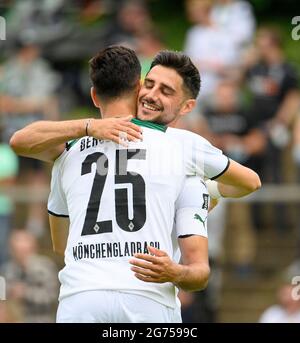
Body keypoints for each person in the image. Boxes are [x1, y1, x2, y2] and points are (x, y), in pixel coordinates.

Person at [10, 47, 261, 322]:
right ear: (138, 86)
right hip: (146, 298)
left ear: (94, 96)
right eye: (150, 85)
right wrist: (209, 191)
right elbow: (250, 182)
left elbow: (61, 244)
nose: (152, 94)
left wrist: (88, 128)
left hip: (81, 297)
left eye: (165, 91)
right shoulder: (182, 146)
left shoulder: (67, 152)